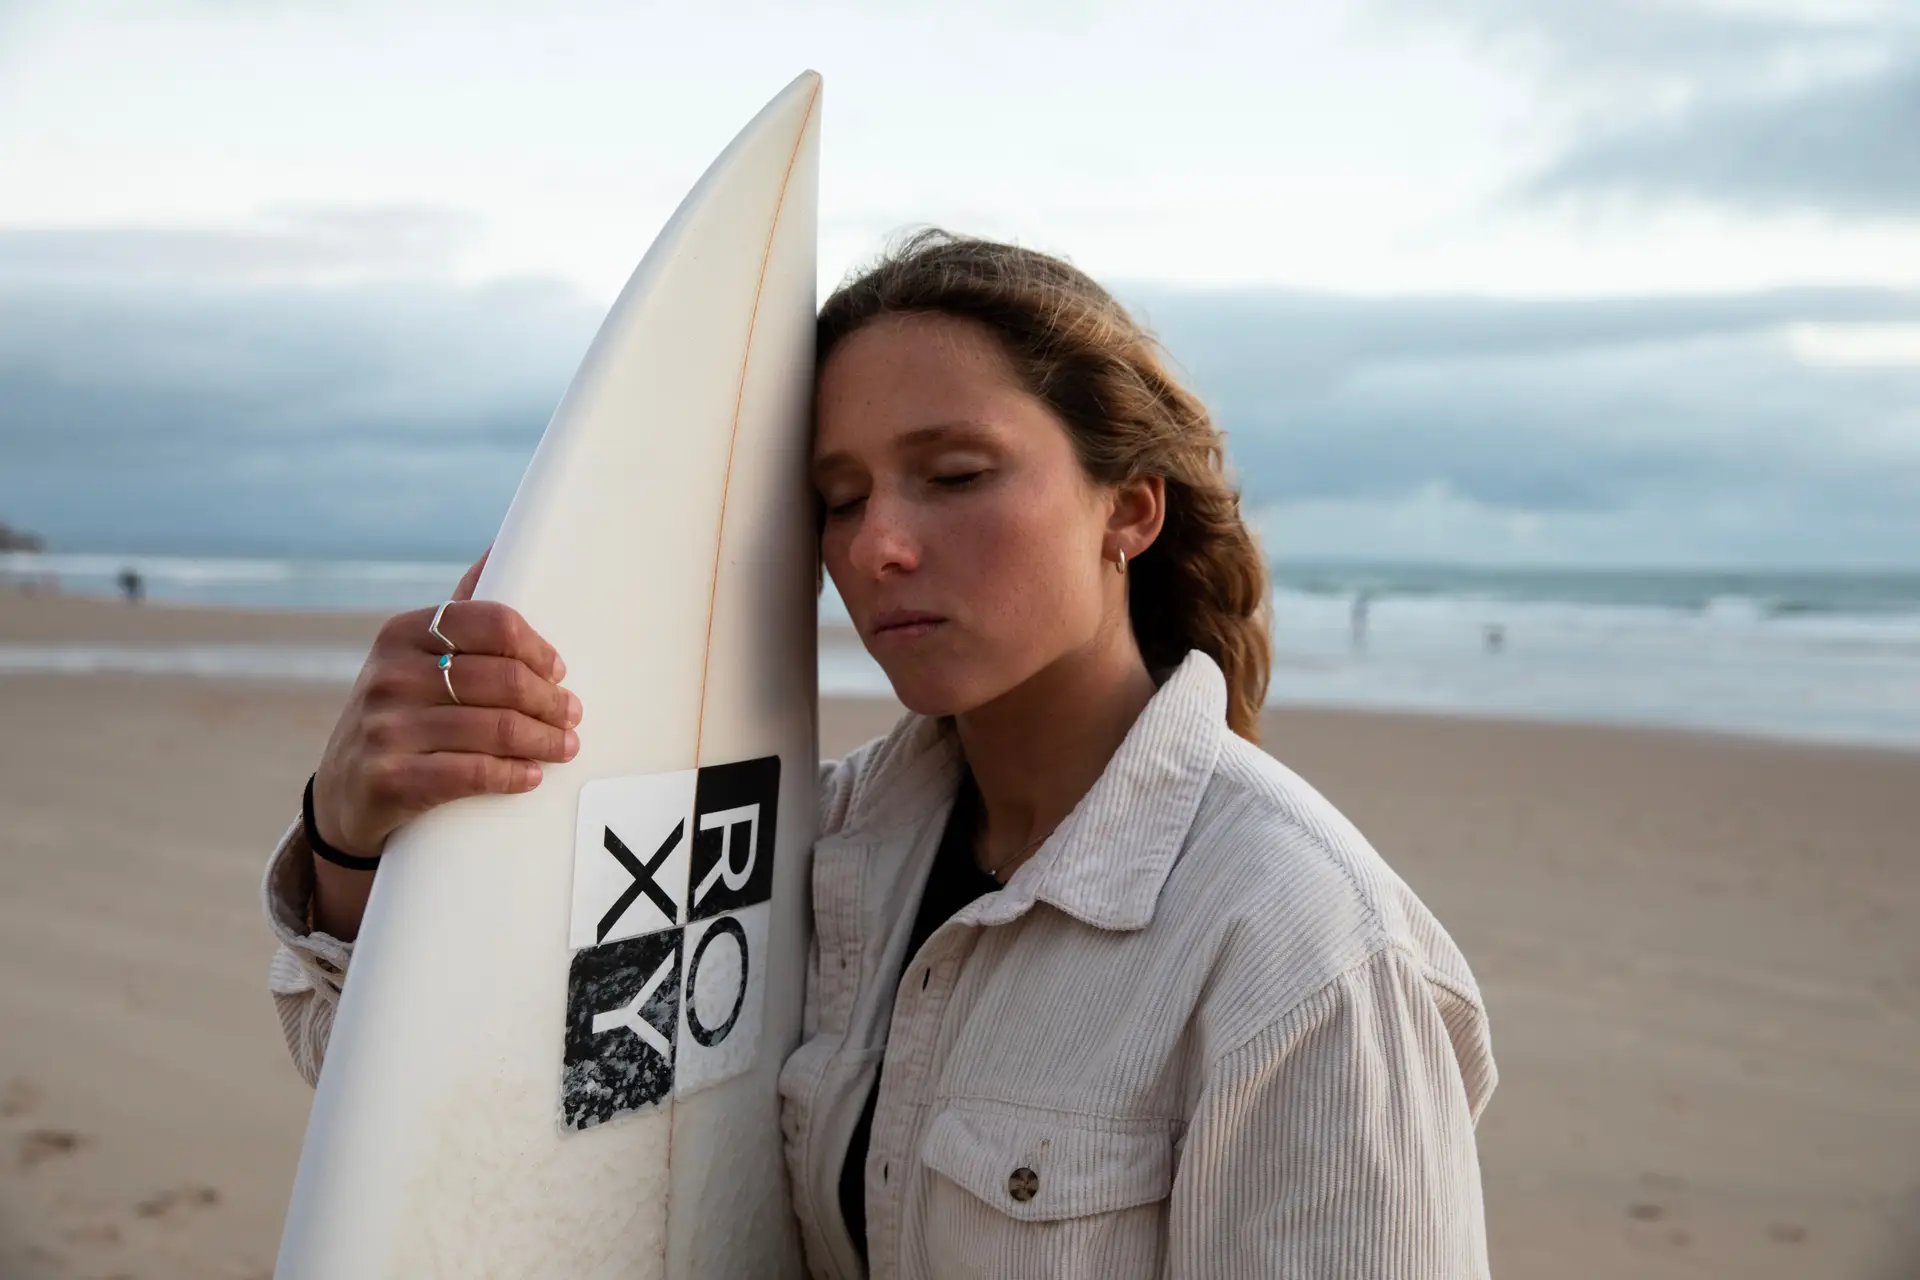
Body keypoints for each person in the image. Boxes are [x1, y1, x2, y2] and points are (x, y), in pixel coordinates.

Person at [263, 231, 1496, 1277]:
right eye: (839, 498)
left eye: (954, 474)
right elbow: (496, 1124)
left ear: (1130, 506)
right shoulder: (813, 848)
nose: (880, 547)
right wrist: (360, 838)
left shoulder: (1302, 947)